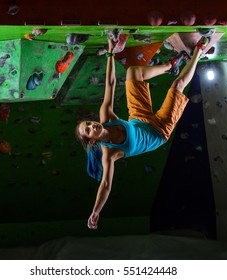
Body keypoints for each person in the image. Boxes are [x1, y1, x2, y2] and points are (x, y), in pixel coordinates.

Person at [75, 33, 211, 229]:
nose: (92, 125)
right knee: (177, 86)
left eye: (88, 123)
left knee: (132, 73)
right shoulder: (109, 154)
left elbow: (111, 85)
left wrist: (111, 54)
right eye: (88, 130)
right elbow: (105, 185)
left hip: (139, 119)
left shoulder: (105, 117)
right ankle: (199, 49)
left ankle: (169, 66)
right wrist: (96, 211)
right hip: (158, 132)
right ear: (91, 141)